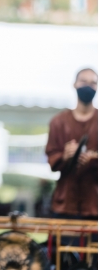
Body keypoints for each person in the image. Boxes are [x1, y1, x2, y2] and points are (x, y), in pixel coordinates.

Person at [46, 68, 98, 221]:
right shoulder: (58, 122)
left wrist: (93, 159)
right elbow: (51, 158)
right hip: (64, 204)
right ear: (75, 84)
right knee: (62, 244)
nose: (88, 86)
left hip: (94, 205)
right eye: (83, 81)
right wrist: (65, 156)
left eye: (93, 83)